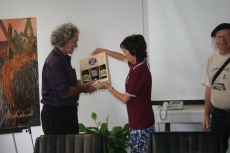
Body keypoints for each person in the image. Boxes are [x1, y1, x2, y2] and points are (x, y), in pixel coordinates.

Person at [91, 34, 155, 153]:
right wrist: (104, 51)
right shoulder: (139, 62)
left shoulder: (138, 72)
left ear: (134, 51)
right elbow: (122, 57)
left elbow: (125, 98)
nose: (124, 54)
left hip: (140, 123)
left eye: (125, 51)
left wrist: (109, 87)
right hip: (141, 119)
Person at [41, 23, 96, 135]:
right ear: (66, 40)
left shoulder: (62, 59)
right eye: (75, 41)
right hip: (57, 116)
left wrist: (88, 82)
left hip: (65, 114)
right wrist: (83, 88)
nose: (76, 45)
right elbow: (64, 91)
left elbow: (68, 83)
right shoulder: (54, 62)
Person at [202, 23, 230, 152]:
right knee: (217, 149)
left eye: (226, 36)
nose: (222, 40)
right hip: (218, 115)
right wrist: (207, 115)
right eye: (218, 37)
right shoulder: (211, 59)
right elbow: (209, 90)